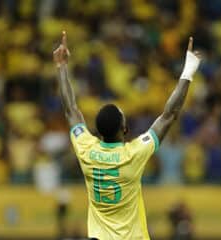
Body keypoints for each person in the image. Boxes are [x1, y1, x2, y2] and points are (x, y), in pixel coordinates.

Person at [53, 31, 201, 239]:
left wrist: (61, 66)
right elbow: (169, 115)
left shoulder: (86, 148)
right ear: (125, 130)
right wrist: (189, 70)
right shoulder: (134, 154)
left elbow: (71, 110)